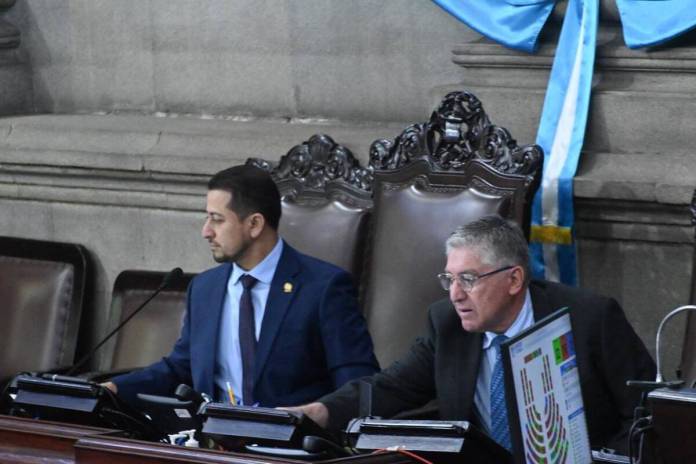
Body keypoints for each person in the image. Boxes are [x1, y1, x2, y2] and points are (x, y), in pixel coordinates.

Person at [293, 215, 655, 453]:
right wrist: (320, 411)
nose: (455, 294)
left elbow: (646, 415)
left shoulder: (589, 319)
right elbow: (391, 387)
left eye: (468, 279)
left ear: (514, 279)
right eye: (449, 279)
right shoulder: (446, 324)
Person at [105, 164, 379, 407]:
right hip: (215, 447)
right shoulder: (205, 288)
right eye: (207, 217)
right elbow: (181, 368)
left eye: (217, 219)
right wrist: (115, 389)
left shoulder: (323, 288)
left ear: (255, 224)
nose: (206, 231)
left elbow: (356, 382)